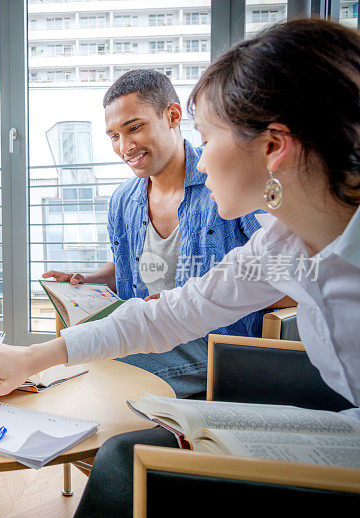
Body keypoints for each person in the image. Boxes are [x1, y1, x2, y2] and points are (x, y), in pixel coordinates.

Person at [0, 18, 360, 518]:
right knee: (124, 457)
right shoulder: (280, 246)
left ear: (273, 147)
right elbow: (172, 312)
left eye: (207, 136)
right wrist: (32, 356)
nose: (202, 158)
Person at [43, 69, 295, 399]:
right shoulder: (123, 201)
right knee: (84, 357)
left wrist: (196, 299)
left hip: (215, 345)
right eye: (114, 136)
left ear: (173, 116)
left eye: (134, 128)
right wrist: (88, 280)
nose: (125, 146)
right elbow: (135, 269)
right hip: (153, 332)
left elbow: (285, 278)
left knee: (97, 368)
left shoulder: (228, 187)